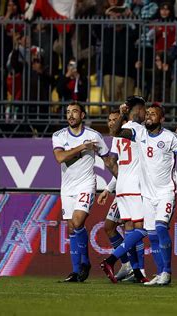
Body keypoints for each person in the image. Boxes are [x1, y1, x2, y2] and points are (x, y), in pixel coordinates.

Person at [101, 103, 177, 286]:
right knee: (152, 235)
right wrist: (122, 115)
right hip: (147, 194)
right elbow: (115, 132)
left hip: (166, 192)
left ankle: (167, 273)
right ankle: (160, 273)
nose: (148, 116)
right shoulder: (140, 134)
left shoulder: (170, 138)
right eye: (147, 114)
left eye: (153, 114)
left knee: (160, 228)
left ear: (161, 119)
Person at [52, 101, 118, 282]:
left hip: (86, 184)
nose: (70, 115)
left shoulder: (95, 136)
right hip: (67, 187)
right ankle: (80, 267)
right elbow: (60, 157)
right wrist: (82, 147)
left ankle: (80, 267)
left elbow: (108, 161)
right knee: (72, 228)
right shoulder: (58, 136)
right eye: (68, 112)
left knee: (77, 220)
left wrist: (121, 179)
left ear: (82, 115)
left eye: (74, 112)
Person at [98, 96, 150, 284]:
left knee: (129, 230)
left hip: (122, 186)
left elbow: (112, 162)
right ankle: (112, 260)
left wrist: (112, 185)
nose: (146, 114)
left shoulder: (118, 135)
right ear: (138, 110)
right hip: (136, 186)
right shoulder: (139, 130)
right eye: (145, 110)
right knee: (143, 228)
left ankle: (137, 273)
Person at [97, 110, 135, 282]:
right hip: (120, 188)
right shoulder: (115, 140)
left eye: (116, 119)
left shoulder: (128, 136)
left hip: (132, 189)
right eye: (110, 120)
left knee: (133, 229)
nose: (112, 123)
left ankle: (136, 268)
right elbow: (119, 170)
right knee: (109, 226)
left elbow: (127, 169)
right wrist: (107, 190)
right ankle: (127, 264)